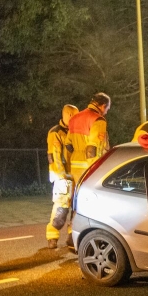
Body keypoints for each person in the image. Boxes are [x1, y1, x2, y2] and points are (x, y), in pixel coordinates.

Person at [46, 104, 79, 249]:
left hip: (76, 175)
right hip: (62, 177)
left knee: (77, 208)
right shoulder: (56, 132)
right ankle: (52, 235)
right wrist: (62, 176)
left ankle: (72, 236)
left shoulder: (76, 131)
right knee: (61, 208)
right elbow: (55, 156)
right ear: (70, 115)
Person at [68, 93, 111, 184]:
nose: (106, 112)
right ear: (103, 106)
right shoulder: (98, 120)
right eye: (107, 109)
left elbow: (68, 144)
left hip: (74, 166)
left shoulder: (74, 118)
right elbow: (91, 151)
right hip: (88, 167)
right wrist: (94, 170)